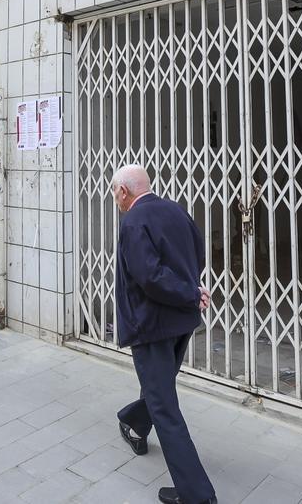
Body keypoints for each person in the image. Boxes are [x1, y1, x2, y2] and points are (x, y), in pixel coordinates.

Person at [111, 165, 216, 504]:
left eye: (114, 192)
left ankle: (197, 496)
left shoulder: (133, 223)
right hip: (181, 323)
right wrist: (191, 290)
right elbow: (196, 255)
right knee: (160, 391)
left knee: (165, 407)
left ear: (124, 191)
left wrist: (188, 293)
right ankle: (133, 424)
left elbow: (149, 276)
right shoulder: (176, 210)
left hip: (151, 326)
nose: (115, 199)